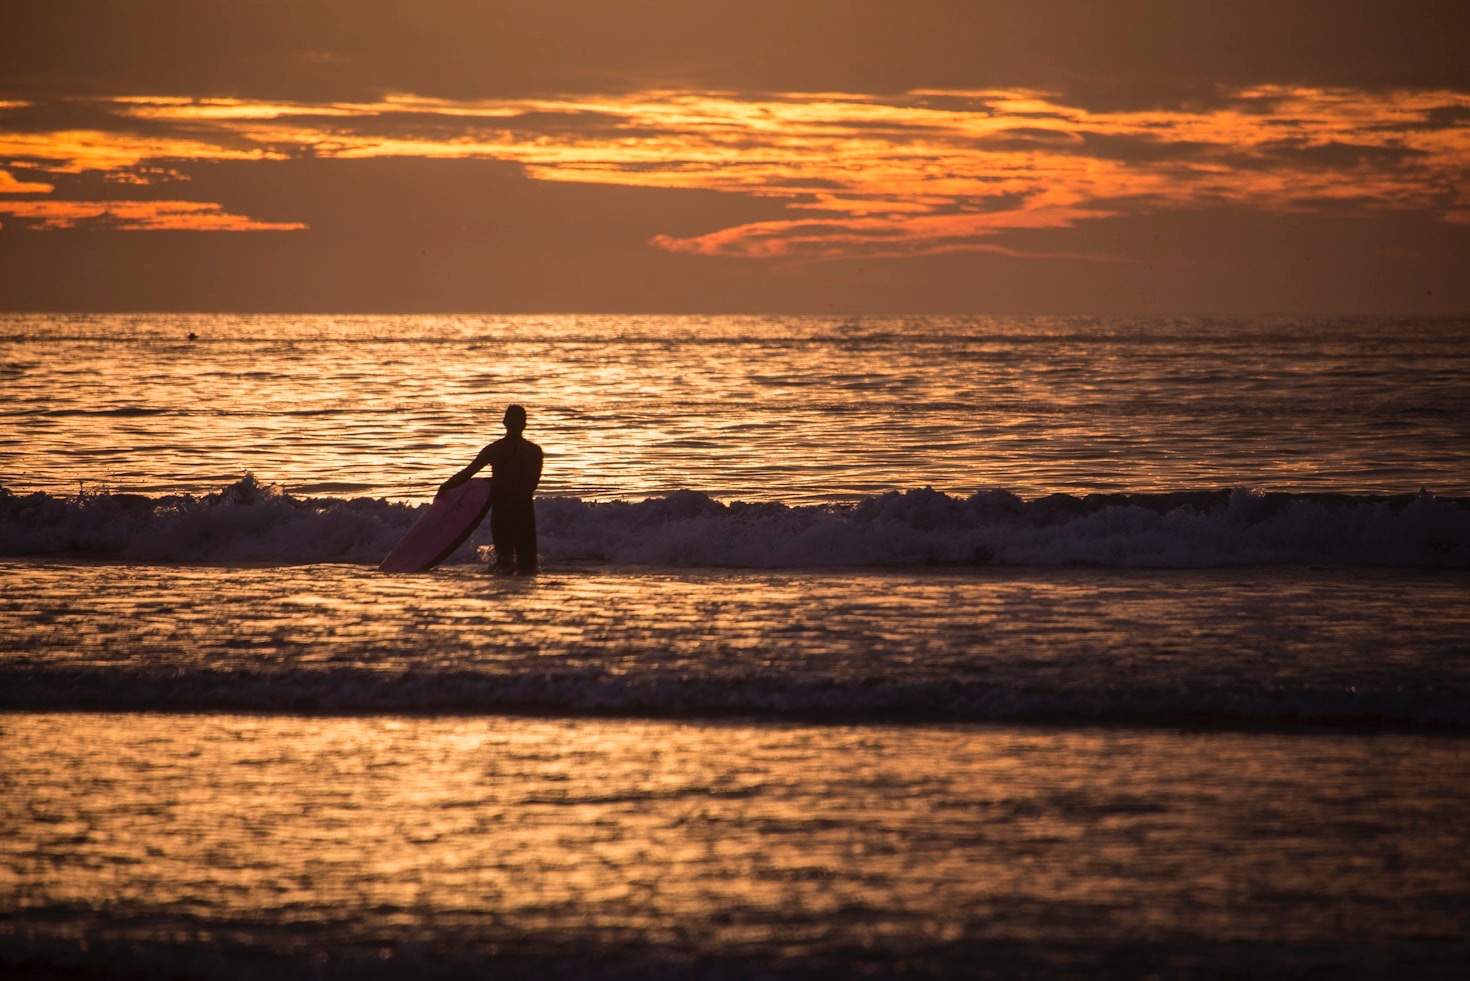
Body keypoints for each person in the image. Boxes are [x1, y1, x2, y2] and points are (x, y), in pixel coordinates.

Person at [439, 404, 543, 574]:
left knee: (504, 563)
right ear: (525, 424)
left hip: (502, 511)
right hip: (524, 511)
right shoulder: (534, 451)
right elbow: (532, 484)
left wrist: (446, 486)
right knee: (529, 566)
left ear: (504, 422)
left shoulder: (494, 449)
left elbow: (468, 473)